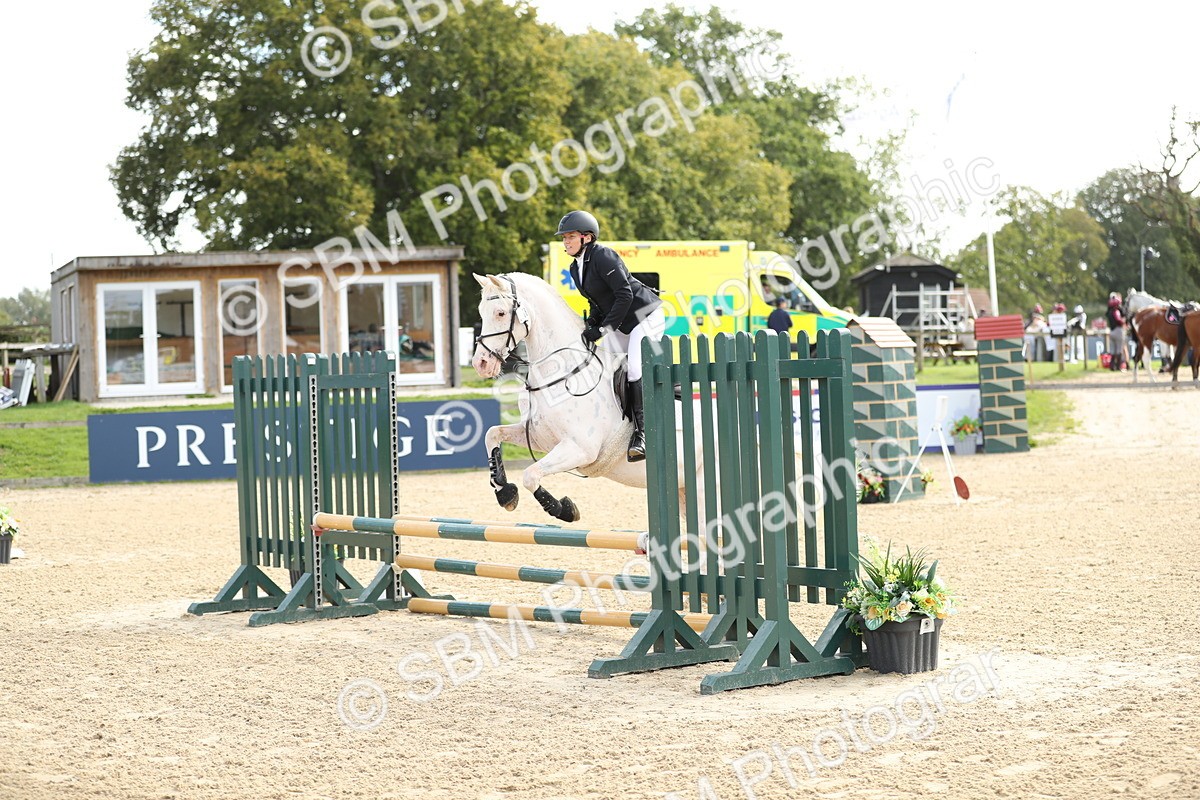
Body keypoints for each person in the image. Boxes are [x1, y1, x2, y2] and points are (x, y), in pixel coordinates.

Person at [555, 210, 664, 462]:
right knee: (612, 369)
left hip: (645, 316)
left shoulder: (603, 256)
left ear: (587, 237)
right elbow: (598, 301)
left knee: (635, 369)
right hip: (623, 323)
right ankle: (618, 425)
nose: (566, 242)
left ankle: (642, 434)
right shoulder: (575, 268)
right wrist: (593, 322)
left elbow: (624, 295)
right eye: (564, 238)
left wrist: (603, 329)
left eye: (570, 237)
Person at [1105, 292, 1128, 371]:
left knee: (1113, 351)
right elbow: (1119, 321)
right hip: (1118, 331)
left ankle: (1112, 366)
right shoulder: (1116, 311)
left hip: (1111, 331)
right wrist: (1124, 321)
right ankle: (1118, 366)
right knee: (1119, 350)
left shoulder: (1109, 312)